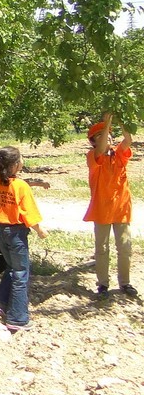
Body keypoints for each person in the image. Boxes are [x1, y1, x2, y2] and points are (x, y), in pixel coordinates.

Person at [0, 147, 48, 332]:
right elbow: (28, 212)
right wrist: (40, 230)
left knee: (12, 267)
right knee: (21, 273)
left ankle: (0, 302)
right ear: (15, 165)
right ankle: (18, 318)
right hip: (15, 233)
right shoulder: (20, 186)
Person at [83, 114, 137, 297]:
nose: (107, 137)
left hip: (121, 209)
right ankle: (103, 285)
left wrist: (121, 119)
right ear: (93, 142)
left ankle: (125, 283)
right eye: (100, 136)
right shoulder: (93, 156)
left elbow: (128, 139)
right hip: (101, 210)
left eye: (107, 134)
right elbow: (101, 148)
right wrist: (107, 123)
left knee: (124, 247)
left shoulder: (119, 155)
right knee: (102, 249)